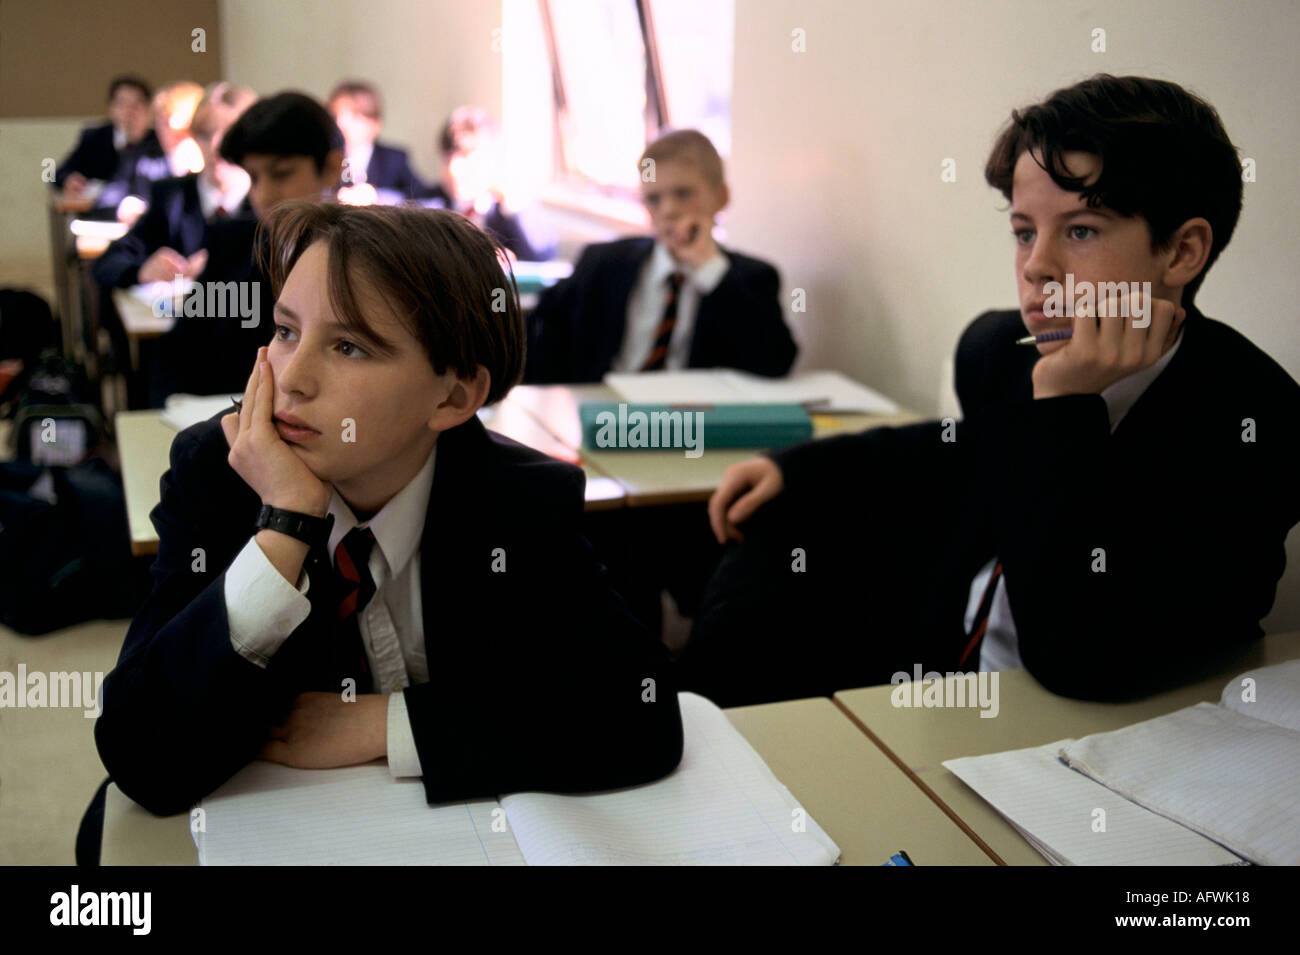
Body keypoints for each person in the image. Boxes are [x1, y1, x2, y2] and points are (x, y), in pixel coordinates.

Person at [681, 74, 1300, 706]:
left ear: (1181, 251)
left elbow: (1082, 659)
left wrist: (1064, 404)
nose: (1036, 266)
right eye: (1025, 230)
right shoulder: (1000, 353)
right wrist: (795, 468)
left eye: (1081, 230)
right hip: (949, 685)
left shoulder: (1257, 423)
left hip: (1091, 737)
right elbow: (958, 451)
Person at [93, 202, 683, 818]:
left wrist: (387, 725)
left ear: (453, 397)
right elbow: (141, 757)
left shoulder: (517, 496)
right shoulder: (220, 475)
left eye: (348, 347)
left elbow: (641, 710)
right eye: (287, 331)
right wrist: (286, 524)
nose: (291, 378)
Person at [525, 129, 796, 383]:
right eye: (654, 199)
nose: (668, 210)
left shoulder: (752, 278)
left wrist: (709, 268)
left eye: (683, 194)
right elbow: (540, 328)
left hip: (690, 423)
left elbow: (775, 363)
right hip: (604, 409)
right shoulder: (604, 263)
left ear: (721, 197)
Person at [148, 91, 343, 405]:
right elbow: (179, 350)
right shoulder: (235, 242)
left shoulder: (359, 261)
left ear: (332, 168)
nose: (264, 195)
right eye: (253, 178)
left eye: (282, 174)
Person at [418, 106, 556, 261]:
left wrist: (512, 201)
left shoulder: (508, 208)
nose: (453, 169)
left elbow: (542, 254)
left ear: (492, 158)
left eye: (466, 157)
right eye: (447, 158)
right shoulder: (428, 205)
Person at [54, 76, 156, 197]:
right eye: (122, 104)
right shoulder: (95, 137)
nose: (129, 111)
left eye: (136, 104)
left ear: (148, 108)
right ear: (111, 108)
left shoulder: (158, 139)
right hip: (98, 209)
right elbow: (58, 174)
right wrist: (69, 179)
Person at [327, 80, 425, 204]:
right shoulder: (328, 157)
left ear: (375, 123)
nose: (342, 123)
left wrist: (378, 196)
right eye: (336, 116)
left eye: (354, 116)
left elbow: (422, 196)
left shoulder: (394, 159)